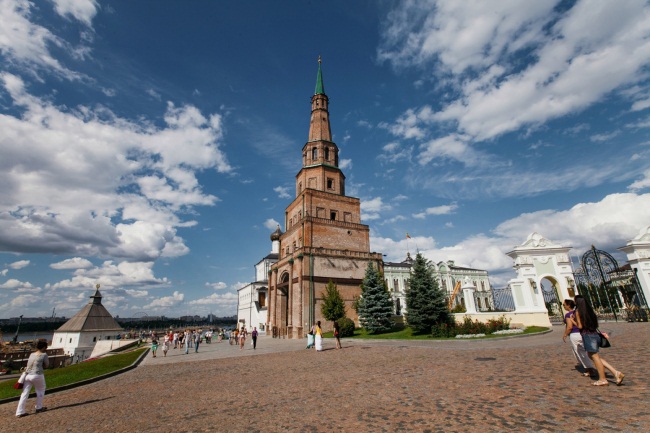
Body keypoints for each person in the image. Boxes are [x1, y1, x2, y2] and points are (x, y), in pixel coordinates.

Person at [574, 295, 625, 386]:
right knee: (595, 356)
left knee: (595, 357)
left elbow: (580, 326)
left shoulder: (578, 312)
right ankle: (616, 373)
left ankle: (603, 379)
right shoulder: (590, 312)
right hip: (595, 334)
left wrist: (573, 321)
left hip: (587, 336)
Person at [16, 340, 49, 417]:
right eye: (46, 347)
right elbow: (47, 365)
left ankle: (19, 411)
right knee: (40, 390)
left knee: (24, 393)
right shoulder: (44, 355)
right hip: (37, 375)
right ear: (44, 347)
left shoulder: (31, 354)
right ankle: (39, 407)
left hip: (28, 375)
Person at [562, 299, 595, 377]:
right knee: (584, 351)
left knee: (579, 352)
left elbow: (569, 327)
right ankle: (589, 368)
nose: (563, 306)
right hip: (582, 333)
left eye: (564, 305)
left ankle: (590, 369)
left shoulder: (568, 315)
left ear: (568, 305)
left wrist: (565, 335)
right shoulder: (578, 312)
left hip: (575, 334)